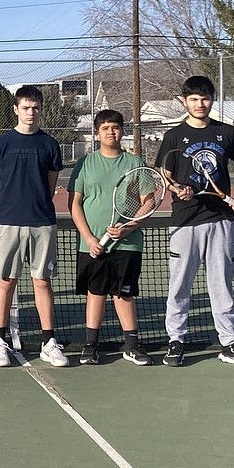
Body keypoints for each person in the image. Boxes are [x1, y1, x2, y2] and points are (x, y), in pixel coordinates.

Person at [155, 75, 234, 368]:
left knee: (221, 285)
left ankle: (229, 344)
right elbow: (165, 174)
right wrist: (178, 190)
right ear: (184, 101)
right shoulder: (174, 136)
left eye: (205, 98)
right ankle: (176, 342)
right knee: (179, 285)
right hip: (185, 221)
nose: (200, 104)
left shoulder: (225, 132)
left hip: (221, 219)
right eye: (194, 99)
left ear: (212, 99)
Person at [0, 85, 68, 367]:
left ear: (40, 110)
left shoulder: (49, 145)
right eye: (26, 107)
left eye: (36, 108)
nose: (31, 112)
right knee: (6, 281)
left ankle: (48, 342)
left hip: (42, 222)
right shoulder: (2, 144)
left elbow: (51, 184)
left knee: (42, 281)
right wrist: (8, 210)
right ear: (16, 109)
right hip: (9, 223)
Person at [67, 109, 153, 366]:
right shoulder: (85, 163)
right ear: (96, 133)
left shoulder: (135, 163)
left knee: (124, 294)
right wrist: (90, 238)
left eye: (115, 127)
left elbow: (148, 201)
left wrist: (128, 228)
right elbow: (74, 204)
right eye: (104, 128)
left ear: (122, 131)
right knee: (96, 293)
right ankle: (90, 347)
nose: (110, 132)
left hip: (127, 243)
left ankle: (132, 347)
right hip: (92, 245)